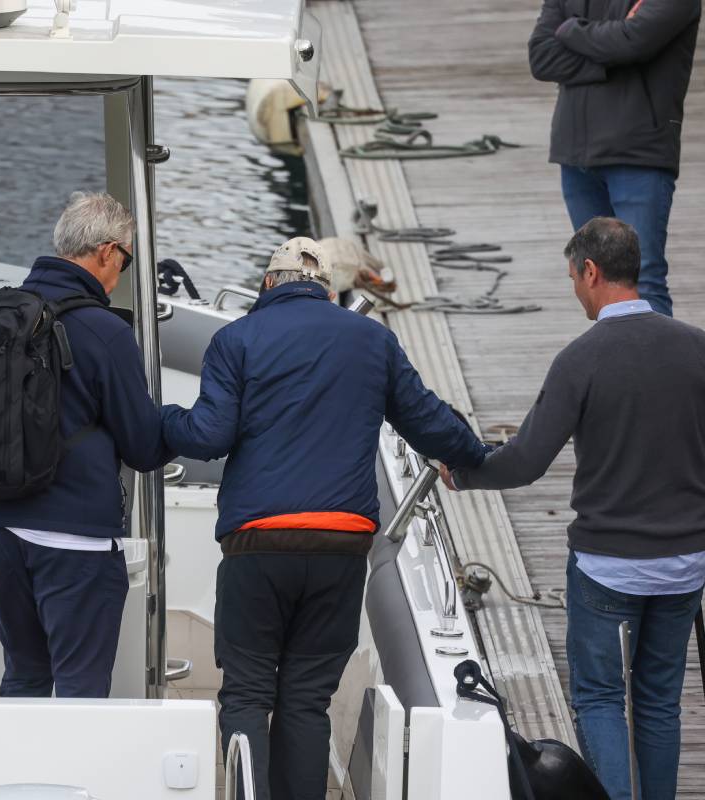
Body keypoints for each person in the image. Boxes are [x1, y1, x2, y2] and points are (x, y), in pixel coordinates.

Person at [162, 238, 489, 800]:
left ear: (268, 284)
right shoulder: (372, 340)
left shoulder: (236, 340)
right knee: (307, 699)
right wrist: (476, 455)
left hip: (258, 545)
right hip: (341, 547)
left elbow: (208, 437)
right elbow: (430, 423)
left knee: (247, 695)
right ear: (329, 291)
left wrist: (159, 421)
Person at [442, 217, 705, 800]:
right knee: (659, 700)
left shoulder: (581, 359)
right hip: (686, 562)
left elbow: (526, 461)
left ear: (590, 271)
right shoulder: (697, 348)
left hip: (609, 566)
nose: (575, 292)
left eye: (572, 278)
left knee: (601, 697)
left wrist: (463, 474)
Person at [0, 192, 167, 698]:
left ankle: (15, 756)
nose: (121, 273)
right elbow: (143, 447)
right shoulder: (106, 331)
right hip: (75, 538)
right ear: (108, 252)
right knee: (80, 688)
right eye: (126, 261)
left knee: (24, 676)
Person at [529, 0, 700, 317]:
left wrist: (571, 30)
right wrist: (612, 55)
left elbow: (633, 42)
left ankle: (657, 353)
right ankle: (615, 352)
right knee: (594, 278)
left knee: (643, 279)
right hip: (576, 156)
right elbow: (541, 57)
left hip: (638, 155)